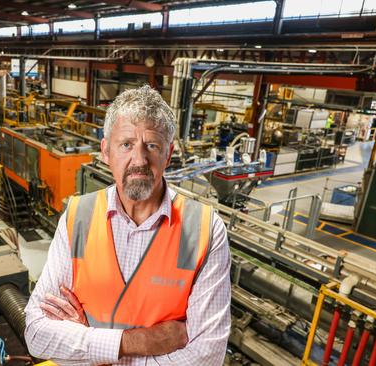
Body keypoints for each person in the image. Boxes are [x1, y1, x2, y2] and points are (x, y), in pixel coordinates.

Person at [24, 85, 231, 365]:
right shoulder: (77, 216)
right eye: (126, 144)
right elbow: (37, 334)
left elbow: (207, 357)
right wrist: (139, 342)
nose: (139, 160)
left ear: (168, 155)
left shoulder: (206, 230)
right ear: (106, 151)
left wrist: (87, 343)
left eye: (152, 146)